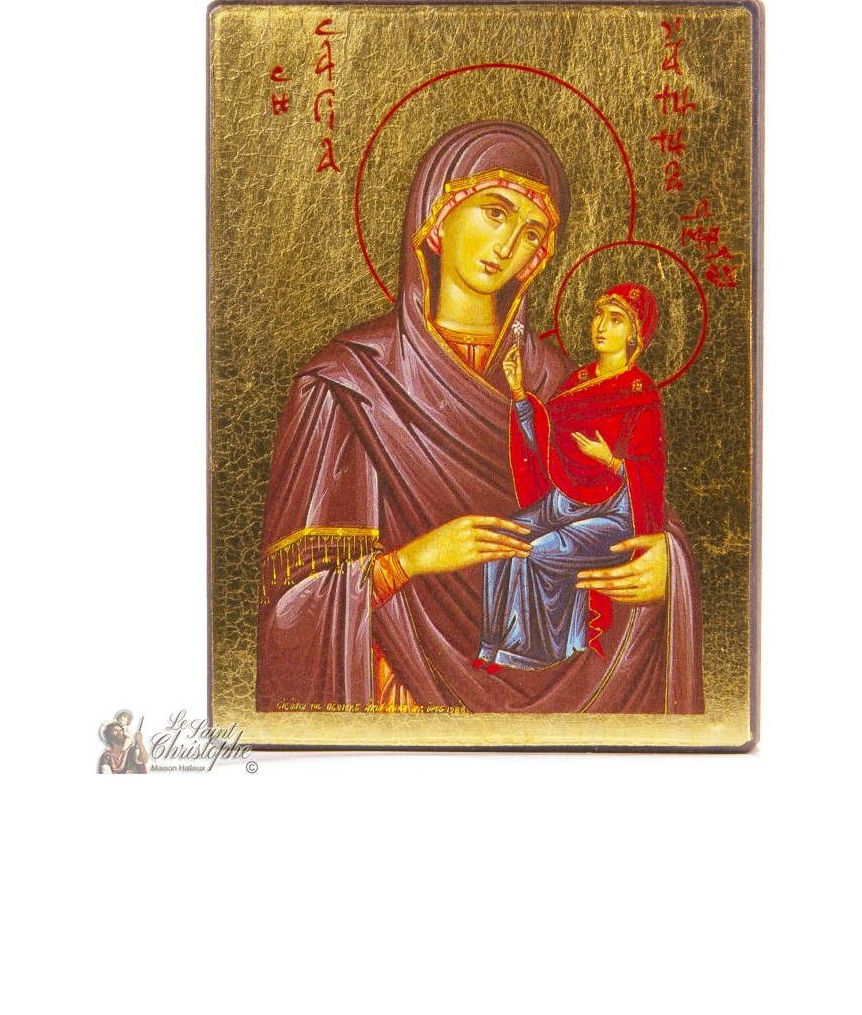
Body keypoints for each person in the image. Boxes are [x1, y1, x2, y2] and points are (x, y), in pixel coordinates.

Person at [256, 119, 704, 714]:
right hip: (402, 688)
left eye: (531, 232)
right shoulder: (346, 384)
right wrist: (412, 561)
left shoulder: (562, 382)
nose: (508, 245)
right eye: (495, 213)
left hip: (570, 682)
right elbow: (291, 612)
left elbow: (635, 501)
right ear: (438, 217)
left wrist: (667, 565)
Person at [477, 284, 667, 672]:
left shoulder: (640, 394)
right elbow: (546, 446)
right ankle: (492, 648)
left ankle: (530, 654)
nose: (601, 326)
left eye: (616, 320)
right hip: (564, 501)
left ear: (634, 334)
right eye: (599, 316)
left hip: (613, 514)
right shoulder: (579, 381)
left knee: (539, 552)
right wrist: (519, 393)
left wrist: (610, 460)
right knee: (501, 540)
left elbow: (650, 472)